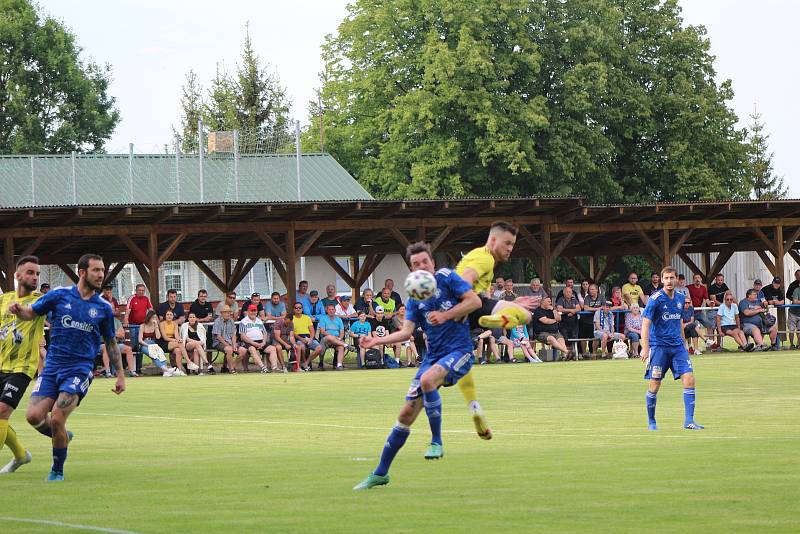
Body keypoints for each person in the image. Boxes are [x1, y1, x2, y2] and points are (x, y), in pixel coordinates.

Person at [353, 242, 481, 490]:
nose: (421, 266)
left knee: (427, 380)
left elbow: (474, 301)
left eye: (425, 262)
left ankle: (436, 441)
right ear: (411, 269)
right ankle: (380, 473)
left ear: (432, 263)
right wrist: (376, 340)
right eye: (415, 264)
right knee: (405, 415)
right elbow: (406, 332)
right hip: (433, 359)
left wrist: (445, 315)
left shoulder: (447, 278)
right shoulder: (414, 296)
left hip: (459, 351)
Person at [10, 253, 124, 481]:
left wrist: (120, 374)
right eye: (96, 270)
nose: (101, 275)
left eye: (102, 270)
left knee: (57, 417)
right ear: (82, 272)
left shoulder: (102, 308)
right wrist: (18, 311)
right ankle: (62, 435)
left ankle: (57, 470)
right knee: (33, 416)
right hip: (52, 367)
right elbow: (31, 312)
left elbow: (111, 342)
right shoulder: (59, 296)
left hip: (79, 369)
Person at [455, 221, 537, 440]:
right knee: (524, 315)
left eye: (513, 244)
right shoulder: (484, 258)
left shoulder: (481, 257)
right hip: (464, 309)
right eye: (507, 243)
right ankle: (490, 321)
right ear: (493, 240)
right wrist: (464, 307)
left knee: (525, 314)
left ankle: (474, 407)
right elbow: (462, 283)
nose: (510, 248)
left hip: (473, 307)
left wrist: (513, 301)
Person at [641, 266, 703, 431]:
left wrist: (684, 343)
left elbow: (679, 323)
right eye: (666, 278)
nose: (669, 281)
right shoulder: (655, 299)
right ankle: (652, 421)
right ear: (662, 280)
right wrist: (645, 348)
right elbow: (645, 324)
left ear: (676, 280)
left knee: (689, 379)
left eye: (672, 278)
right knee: (654, 384)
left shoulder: (682, 298)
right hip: (659, 348)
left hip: (677, 348)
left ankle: (689, 421)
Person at [0, 256, 45, 474]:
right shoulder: (3, 300)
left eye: (37, 273)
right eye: (30, 272)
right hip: (1, 364)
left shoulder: (40, 301)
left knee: (2, 410)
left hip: (22, 367)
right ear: (17, 276)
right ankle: (20, 455)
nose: (35, 277)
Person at [238, 305, 277, 373]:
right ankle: (263, 368)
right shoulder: (243, 321)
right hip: (249, 342)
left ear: (257, 312)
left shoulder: (259, 321)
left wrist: (264, 342)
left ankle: (274, 368)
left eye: (255, 311)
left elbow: (264, 333)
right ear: (248, 311)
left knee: (272, 348)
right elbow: (242, 336)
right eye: (251, 311)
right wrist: (253, 343)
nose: (253, 312)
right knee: (252, 349)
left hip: (261, 341)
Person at [212, 305, 247, 374]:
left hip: (230, 342)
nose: (228, 314)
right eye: (226, 312)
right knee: (229, 349)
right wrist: (228, 345)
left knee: (243, 350)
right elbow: (218, 336)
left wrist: (234, 345)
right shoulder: (217, 321)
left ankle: (233, 367)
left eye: (229, 312)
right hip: (218, 342)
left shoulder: (231, 321)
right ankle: (231, 369)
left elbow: (233, 334)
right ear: (221, 313)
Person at [318, 304, 349, 370]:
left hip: (337, 339)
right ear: (327, 310)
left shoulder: (339, 319)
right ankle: (320, 363)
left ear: (335, 310)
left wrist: (340, 338)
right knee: (329, 338)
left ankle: (339, 365)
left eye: (332, 309)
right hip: (326, 339)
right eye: (329, 309)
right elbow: (323, 331)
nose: (331, 311)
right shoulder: (323, 318)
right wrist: (334, 337)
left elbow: (342, 331)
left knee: (341, 347)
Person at [160, 310, 190, 374]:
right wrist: (176, 341)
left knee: (178, 350)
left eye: (171, 315)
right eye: (167, 314)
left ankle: (179, 370)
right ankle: (188, 361)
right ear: (165, 316)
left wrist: (179, 339)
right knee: (180, 344)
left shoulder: (175, 324)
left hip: (173, 342)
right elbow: (165, 338)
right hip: (163, 342)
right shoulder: (161, 324)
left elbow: (176, 335)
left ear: (173, 316)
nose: (169, 316)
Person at [124, 283, 152, 353]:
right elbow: (128, 309)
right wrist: (126, 320)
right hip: (133, 324)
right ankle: (133, 361)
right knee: (134, 342)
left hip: (142, 324)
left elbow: (151, 309)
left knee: (141, 342)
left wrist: (154, 319)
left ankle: (139, 362)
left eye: (143, 290)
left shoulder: (146, 298)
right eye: (139, 290)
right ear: (136, 291)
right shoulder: (132, 298)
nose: (141, 292)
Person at [789, 281, 800, 349]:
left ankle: (798, 344)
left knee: (799, 330)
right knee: (791, 330)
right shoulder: (796, 290)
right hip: (793, 313)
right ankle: (792, 344)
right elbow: (795, 301)